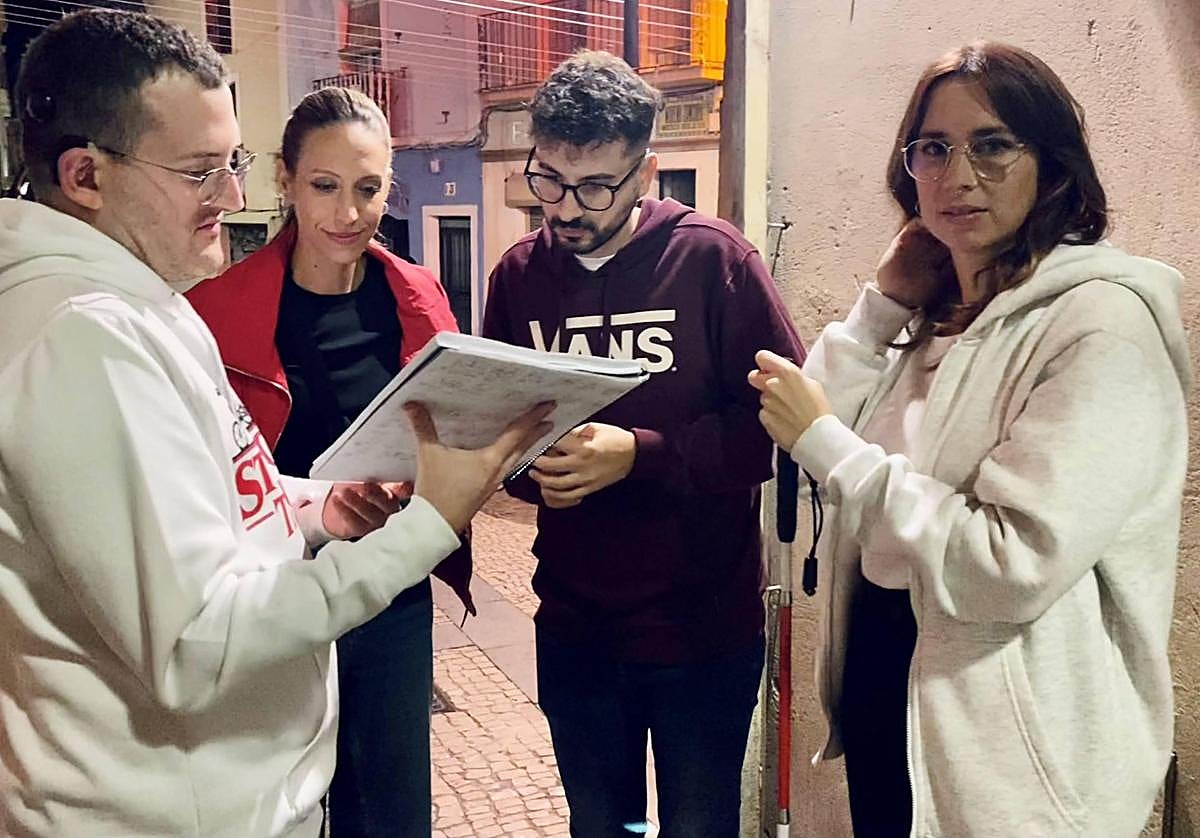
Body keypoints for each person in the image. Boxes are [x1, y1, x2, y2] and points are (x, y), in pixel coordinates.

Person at [0, 10, 550, 838]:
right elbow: (198, 643)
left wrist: (317, 505)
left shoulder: (141, 305)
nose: (232, 196)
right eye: (201, 172)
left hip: (238, 774)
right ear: (86, 175)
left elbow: (217, 489)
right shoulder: (82, 337)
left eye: (234, 164)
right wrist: (429, 523)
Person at [750, 41, 1189, 837]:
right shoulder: (933, 320)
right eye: (933, 148)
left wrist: (827, 445)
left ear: (1051, 164)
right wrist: (881, 308)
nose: (958, 175)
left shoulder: (1102, 326)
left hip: (1016, 759)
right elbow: (804, 443)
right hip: (898, 704)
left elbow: (1010, 563)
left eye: (992, 145)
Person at [481, 51, 805, 837]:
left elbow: (782, 431)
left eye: (595, 187)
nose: (566, 209)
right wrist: (531, 469)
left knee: (700, 826)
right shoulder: (518, 277)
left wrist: (642, 454)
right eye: (549, 179)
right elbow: (499, 433)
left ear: (646, 172)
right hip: (576, 627)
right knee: (598, 826)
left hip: (702, 631)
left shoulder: (714, 260)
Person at [187, 87, 468, 837]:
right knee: (282, 802)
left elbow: (446, 428)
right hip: (275, 591)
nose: (348, 213)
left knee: (393, 808)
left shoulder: (417, 295)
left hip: (390, 584)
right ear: (284, 179)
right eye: (324, 185)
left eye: (368, 189)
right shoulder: (216, 311)